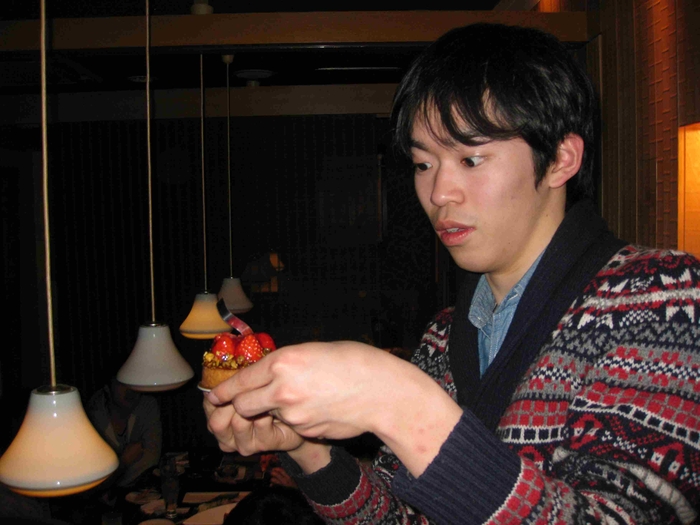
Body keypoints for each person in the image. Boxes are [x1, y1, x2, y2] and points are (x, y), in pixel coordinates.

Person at [203, 22, 700, 524]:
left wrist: (396, 401)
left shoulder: (661, 297)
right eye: (424, 164)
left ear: (559, 159)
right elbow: (403, 519)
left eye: (471, 158)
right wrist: (307, 449)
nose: (439, 193)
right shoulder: (444, 336)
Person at [87, 375, 162, 495]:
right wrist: (123, 463)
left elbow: (151, 460)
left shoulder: (146, 405)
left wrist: (112, 480)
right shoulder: (90, 417)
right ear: (107, 388)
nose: (130, 390)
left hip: (141, 493)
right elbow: (93, 483)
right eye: (122, 383)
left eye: (133, 381)